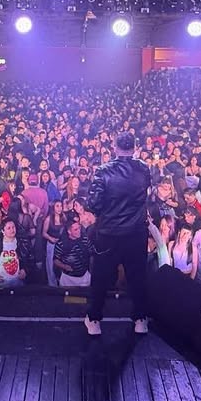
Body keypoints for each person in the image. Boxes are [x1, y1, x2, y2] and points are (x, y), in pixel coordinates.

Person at [84, 132, 151, 336]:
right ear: (134, 147)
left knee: (101, 277)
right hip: (136, 232)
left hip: (109, 234)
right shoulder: (144, 169)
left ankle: (94, 320)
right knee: (137, 276)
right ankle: (140, 319)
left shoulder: (104, 171)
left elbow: (93, 203)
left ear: (114, 147)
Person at [0, 218, 32, 288]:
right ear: (3, 231)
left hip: (19, 284)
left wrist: (25, 270)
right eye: (9, 228)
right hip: (1, 284)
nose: (12, 230)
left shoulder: (23, 242)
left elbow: (31, 258)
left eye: (13, 227)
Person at [53, 218, 92, 288]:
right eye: (75, 230)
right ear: (69, 231)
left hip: (84, 277)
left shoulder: (85, 239)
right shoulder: (61, 244)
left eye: (79, 228)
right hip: (68, 279)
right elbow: (55, 260)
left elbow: (92, 252)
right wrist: (64, 266)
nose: (79, 231)